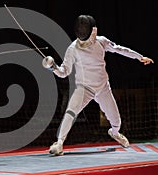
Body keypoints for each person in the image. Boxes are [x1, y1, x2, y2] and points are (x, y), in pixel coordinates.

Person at [42, 14, 154, 156]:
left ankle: (114, 133)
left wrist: (139, 57)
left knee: (116, 121)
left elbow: (119, 49)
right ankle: (59, 143)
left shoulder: (101, 42)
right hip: (84, 88)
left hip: (103, 88)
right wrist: (53, 68)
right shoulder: (72, 49)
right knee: (71, 111)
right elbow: (63, 72)